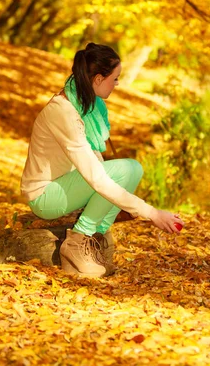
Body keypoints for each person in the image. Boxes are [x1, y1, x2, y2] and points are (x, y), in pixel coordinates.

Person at [21, 42, 184, 278]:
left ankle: (95, 240)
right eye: (115, 78)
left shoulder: (87, 105)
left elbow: (97, 165)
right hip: (45, 195)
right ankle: (77, 243)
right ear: (98, 79)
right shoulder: (63, 112)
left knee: (132, 169)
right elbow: (96, 177)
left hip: (67, 184)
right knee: (117, 171)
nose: (117, 84)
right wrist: (152, 213)